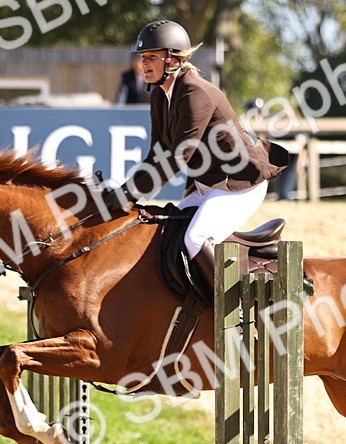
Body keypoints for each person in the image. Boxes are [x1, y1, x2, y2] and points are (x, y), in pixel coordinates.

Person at [110, 20, 288, 276]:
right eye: (142, 57)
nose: (144, 63)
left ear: (172, 60)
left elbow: (178, 158)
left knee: (195, 239)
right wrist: (125, 190)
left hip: (240, 184)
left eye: (151, 57)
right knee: (166, 235)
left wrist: (129, 194)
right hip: (207, 185)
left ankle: (231, 299)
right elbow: (157, 155)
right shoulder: (159, 95)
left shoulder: (195, 92)